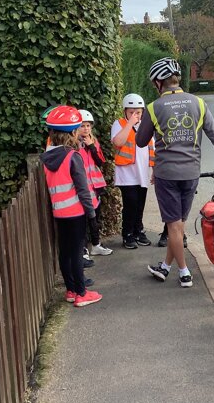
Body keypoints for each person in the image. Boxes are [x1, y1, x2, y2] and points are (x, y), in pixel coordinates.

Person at [136, 57, 214, 287]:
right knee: (178, 225)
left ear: (159, 82)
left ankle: (184, 272)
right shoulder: (198, 103)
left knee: (174, 226)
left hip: (166, 175)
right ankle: (165, 267)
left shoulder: (153, 107)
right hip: (191, 173)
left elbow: (140, 141)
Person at [40, 105, 102, 307]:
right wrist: (91, 214)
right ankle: (82, 293)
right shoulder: (72, 156)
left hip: (59, 212)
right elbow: (83, 189)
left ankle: (70, 290)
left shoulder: (46, 158)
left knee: (65, 252)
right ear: (73, 132)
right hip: (76, 212)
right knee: (76, 252)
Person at [111, 93, 155, 249]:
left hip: (142, 174)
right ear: (125, 111)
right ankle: (127, 234)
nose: (135, 115)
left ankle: (138, 231)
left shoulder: (146, 126)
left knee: (140, 205)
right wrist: (130, 123)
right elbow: (118, 142)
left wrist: (154, 171)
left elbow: (153, 149)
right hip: (126, 175)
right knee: (130, 204)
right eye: (131, 112)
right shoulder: (119, 124)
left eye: (138, 112)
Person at [78, 109, 113, 256]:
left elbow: (100, 161)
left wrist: (91, 146)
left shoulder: (94, 141)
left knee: (95, 216)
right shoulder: (73, 143)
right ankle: (83, 248)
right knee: (84, 218)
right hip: (82, 185)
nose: (86, 129)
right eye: (82, 126)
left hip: (94, 186)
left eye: (88, 126)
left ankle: (96, 244)